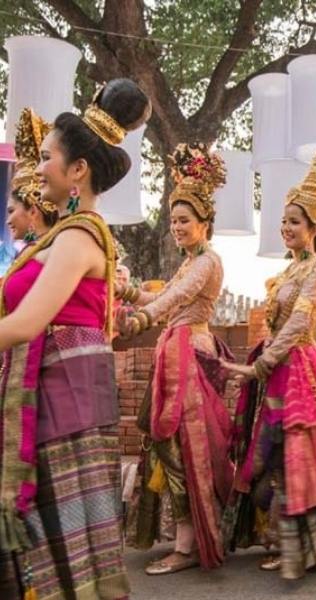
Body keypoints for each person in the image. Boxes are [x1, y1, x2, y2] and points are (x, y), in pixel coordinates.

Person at [0, 78, 150, 600]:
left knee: (62, 544)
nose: (38, 166)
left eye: (46, 156)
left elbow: (25, 324)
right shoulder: (65, 235)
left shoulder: (80, 235)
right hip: (55, 397)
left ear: (77, 170)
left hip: (63, 406)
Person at [225, 146, 316, 579]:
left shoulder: (315, 271)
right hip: (278, 367)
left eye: (294, 222)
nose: (286, 229)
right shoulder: (287, 272)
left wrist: (261, 364)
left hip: (297, 369)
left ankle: (295, 545)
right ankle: (281, 537)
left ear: (314, 227)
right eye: (282, 222)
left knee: (289, 453)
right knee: (267, 455)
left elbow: (299, 322)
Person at [117, 143, 234, 575]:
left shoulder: (208, 262)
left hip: (190, 355)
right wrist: (129, 294)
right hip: (175, 351)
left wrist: (145, 314)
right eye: (173, 220)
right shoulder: (189, 262)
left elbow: (177, 298)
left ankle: (188, 546)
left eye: (185, 220)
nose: (177, 226)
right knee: (169, 447)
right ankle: (186, 537)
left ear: (204, 223)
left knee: (184, 449)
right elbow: (165, 293)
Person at [6, 108, 59, 247]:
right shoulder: (44, 248)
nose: (8, 220)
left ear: (33, 211)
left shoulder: (49, 252)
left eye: (11, 211)